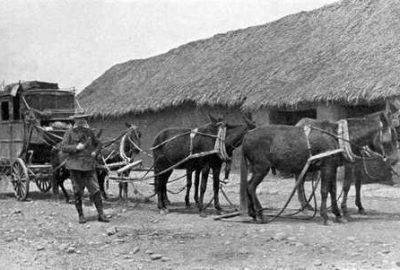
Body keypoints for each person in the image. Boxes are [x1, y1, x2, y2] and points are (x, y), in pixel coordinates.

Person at [60, 112, 109, 224]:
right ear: (75, 121)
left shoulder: (89, 132)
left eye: (83, 119)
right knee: (77, 191)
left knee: (96, 190)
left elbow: (99, 143)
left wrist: (95, 153)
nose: (81, 121)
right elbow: (63, 147)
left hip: (89, 166)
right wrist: (76, 147)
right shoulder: (69, 132)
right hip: (75, 166)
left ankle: (101, 214)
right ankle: (81, 216)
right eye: (78, 119)